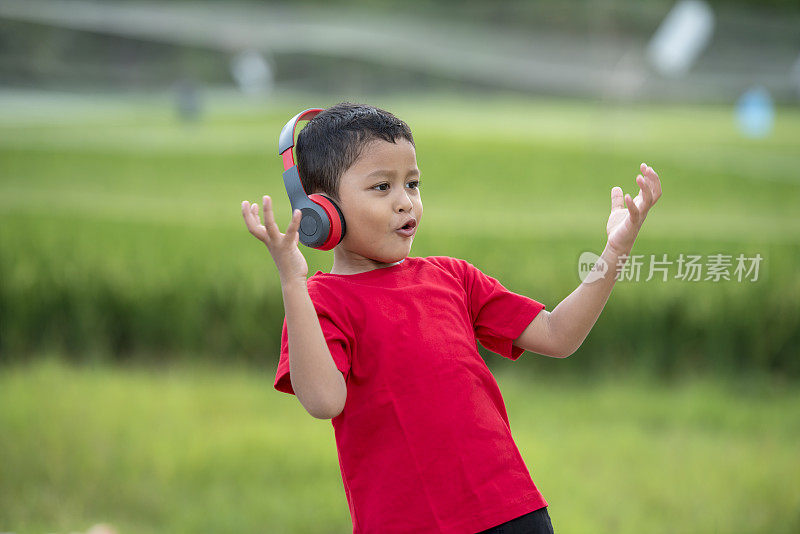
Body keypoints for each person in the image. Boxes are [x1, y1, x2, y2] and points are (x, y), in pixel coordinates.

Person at [241, 102, 662, 533]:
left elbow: (558, 335)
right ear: (319, 212)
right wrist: (293, 282)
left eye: (413, 183)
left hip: (512, 512)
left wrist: (614, 252)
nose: (406, 203)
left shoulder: (453, 277)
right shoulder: (322, 301)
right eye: (382, 187)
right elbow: (325, 401)